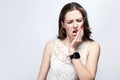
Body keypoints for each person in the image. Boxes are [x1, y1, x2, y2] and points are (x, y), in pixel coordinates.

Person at [37, 2, 100, 80]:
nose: (75, 25)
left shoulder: (93, 46)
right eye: (70, 22)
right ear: (63, 24)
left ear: (84, 21)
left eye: (79, 20)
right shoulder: (51, 46)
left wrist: (72, 50)